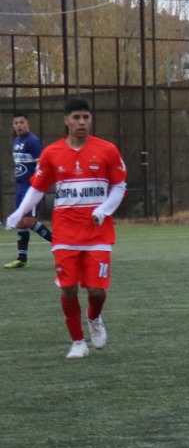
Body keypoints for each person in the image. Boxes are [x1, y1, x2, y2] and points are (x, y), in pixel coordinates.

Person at [5, 98, 128, 359]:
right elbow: (37, 187)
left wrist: (103, 210)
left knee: (96, 290)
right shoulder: (52, 153)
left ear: (90, 119)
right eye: (76, 117)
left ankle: (94, 317)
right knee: (68, 287)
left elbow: (119, 186)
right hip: (65, 232)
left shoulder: (107, 150)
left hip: (97, 232)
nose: (81, 122)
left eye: (86, 117)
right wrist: (20, 212)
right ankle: (77, 342)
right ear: (66, 120)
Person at [7, 112, 53, 268]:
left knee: (29, 221)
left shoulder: (32, 141)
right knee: (21, 221)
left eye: (22, 122)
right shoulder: (16, 141)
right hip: (20, 186)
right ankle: (22, 258)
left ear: (28, 124)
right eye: (16, 123)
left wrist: (37, 184)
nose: (19, 125)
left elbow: (42, 164)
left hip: (30, 187)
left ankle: (59, 244)